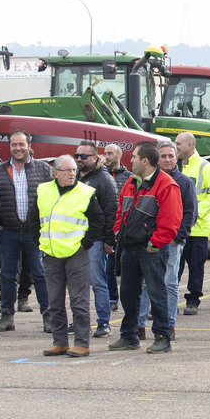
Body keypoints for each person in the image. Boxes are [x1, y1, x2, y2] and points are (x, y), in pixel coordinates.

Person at [108, 141, 182, 354]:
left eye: (133, 157)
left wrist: (154, 244)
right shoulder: (131, 182)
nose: (129, 161)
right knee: (128, 293)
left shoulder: (167, 185)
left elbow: (171, 221)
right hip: (130, 247)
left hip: (151, 249)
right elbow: (120, 211)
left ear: (145, 161)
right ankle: (129, 335)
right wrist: (117, 232)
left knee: (157, 293)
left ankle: (162, 336)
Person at [27, 155, 104, 357]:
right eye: (67, 170)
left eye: (74, 170)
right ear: (55, 173)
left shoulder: (86, 193)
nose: (72, 174)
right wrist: (40, 243)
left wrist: (85, 244)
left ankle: (81, 343)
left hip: (76, 253)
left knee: (79, 301)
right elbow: (34, 220)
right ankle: (60, 341)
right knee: (54, 301)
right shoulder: (43, 191)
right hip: (51, 254)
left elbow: (98, 221)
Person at [0, 129, 53, 333]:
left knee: (40, 274)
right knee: (7, 275)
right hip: (7, 231)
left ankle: (48, 316)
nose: (18, 148)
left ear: (29, 145)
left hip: (34, 233)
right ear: (9, 146)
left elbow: (51, 201)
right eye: (14, 144)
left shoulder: (44, 170)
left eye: (21, 144)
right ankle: (7, 316)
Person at [176, 132, 210, 316]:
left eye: (179, 143)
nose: (176, 146)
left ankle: (193, 301)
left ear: (190, 145)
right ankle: (171, 300)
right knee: (173, 268)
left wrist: (196, 211)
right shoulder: (173, 166)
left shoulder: (205, 166)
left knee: (195, 267)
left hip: (197, 229)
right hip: (176, 228)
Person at [76, 140, 119, 338]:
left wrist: (109, 240)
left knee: (97, 280)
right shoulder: (73, 176)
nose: (79, 159)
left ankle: (104, 322)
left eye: (83, 156)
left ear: (95, 157)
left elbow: (111, 212)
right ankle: (79, 321)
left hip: (96, 239)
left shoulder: (104, 179)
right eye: (77, 155)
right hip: (74, 239)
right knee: (77, 284)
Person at [157, 139, 196, 339]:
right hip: (151, 243)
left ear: (177, 157)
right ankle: (141, 325)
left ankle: (170, 324)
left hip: (172, 243)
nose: (167, 159)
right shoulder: (149, 181)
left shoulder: (184, 182)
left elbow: (190, 213)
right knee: (147, 284)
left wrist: (178, 238)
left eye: (171, 156)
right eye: (163, 156)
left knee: (170, 283)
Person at [103, 144, 131, 310]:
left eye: (110, 153)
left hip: (125, 229)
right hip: (108, 229)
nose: (107, 156)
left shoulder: (128, 177)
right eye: (105, 153)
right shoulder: (101, 175)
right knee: (108, 268)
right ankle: (112, 299)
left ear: (119, 155)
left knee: (127, 267)